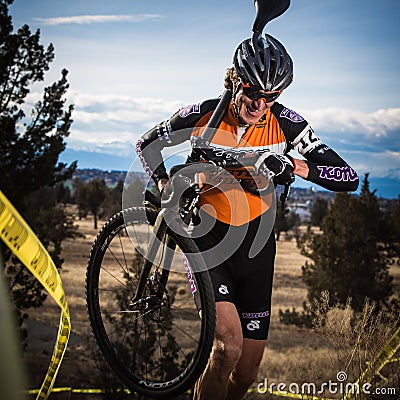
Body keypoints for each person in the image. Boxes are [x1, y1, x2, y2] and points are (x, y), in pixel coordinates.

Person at [136, 33, 359, 400]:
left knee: (246, 373)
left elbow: (347, 176)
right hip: (208, 239)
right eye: (253, 93)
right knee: (227, 349)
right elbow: (147, 144)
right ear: (237, 81)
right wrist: (163, 183)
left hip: (257, 248)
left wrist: (294, 164)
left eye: (271, 97)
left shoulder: (287, 124)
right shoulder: (204, 113)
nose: (260, 104)